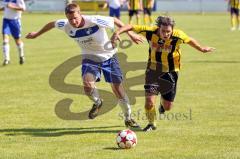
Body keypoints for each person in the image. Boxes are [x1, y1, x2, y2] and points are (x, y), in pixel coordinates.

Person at [26, 3, 144, 128]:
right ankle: (98, 103)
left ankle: (128, 117)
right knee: (87, 85)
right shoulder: (65, 24)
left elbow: (114, 20)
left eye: (75, 18)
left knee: (118, 90)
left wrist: (131, 35)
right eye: (70, 19)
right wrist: (37, 34)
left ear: (80, 14)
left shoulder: (93, 20)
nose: (73, 21)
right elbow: (51, 24)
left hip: (109, 56)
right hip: (90, 58)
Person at [111, 16, 215, 131]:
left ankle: (162, 104)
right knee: (149, 102)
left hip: (171, 72)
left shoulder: (178, 36)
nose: (166, 34)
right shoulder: (150, 32)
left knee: (168, 107)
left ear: (172, 30)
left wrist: (201, 48)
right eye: (163, 31)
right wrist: (117, 32)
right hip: (153, 71)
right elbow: (130, 26)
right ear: (158, 28)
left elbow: (189, 40)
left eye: (168, 32)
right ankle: (151, 123)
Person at [0, 0, 26, 66]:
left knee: (17, 41)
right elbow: (5, 7)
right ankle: (7, 59)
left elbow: (23, 8)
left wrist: (12, 7)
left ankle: (21, 56)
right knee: (5, 40)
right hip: (6, 20)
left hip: (15, 21)